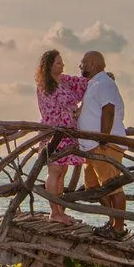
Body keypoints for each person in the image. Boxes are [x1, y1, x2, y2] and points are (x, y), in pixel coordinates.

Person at [76, 51, 127, 236]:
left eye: (82, 63)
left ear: (91, 64)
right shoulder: (94, 84)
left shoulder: (104, 83)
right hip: (92, 146)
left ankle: (118, 228)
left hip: (104, 144)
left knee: (113, 186)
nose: (80, 67)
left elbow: (109, 110)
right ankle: (112, 221)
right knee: (93, 186)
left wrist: (104, 138)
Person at [33, 49, 86, 222]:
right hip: (54, 134)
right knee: (55, 170)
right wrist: (74, 111)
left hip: (68, 132)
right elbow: (52, 111)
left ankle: (60, 211)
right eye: (58, 63)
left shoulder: (64, 80)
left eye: (62, 62)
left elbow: (83, 83)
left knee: (62, 171)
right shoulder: (44, 85)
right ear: (49, 65)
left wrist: (101, 77)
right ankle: (54, 212)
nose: (62, 65)